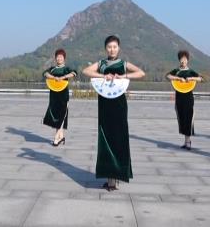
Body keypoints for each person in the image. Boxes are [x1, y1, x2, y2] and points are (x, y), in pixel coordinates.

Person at [82, 35, 145, 191]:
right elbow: (86, 71)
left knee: (119, 138)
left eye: (115, 46)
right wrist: (103, 75)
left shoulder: (123, 64)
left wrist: (124, 76)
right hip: (104, 104)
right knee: (106, 138)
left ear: (119, 48)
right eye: (109, 47)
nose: (112, 49)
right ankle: (110, 177)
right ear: (106, 48)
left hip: (119, 104)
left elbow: (141, 73)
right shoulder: (101, 64)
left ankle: (116, 176)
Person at [165, 50, 202, 150]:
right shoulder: (176, 71)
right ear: (179, 60)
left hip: (188, 98)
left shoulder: (191, 71)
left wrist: (191, 79)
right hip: (179, 97)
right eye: (181, 59)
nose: (183, 61)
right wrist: (177, 78)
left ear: (188, 60)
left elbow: (200, 78)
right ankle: (186, 141)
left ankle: (188, 141)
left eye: (185, 59)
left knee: (188, 118)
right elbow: (167, 76)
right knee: (181, 118)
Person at [43, 48, 76, 146]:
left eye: (61, 57)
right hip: (53, 94)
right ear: (55, 58)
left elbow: (74, 73)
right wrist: (54, 77)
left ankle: (56, 138)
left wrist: (62, 77)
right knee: (56, 114)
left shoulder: (66, 68)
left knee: (62, 114)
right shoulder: (52, 69)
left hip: (63, 95)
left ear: (64, 58)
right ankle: (61, 137)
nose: (59, 58)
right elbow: (45, 73)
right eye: (57, 57)